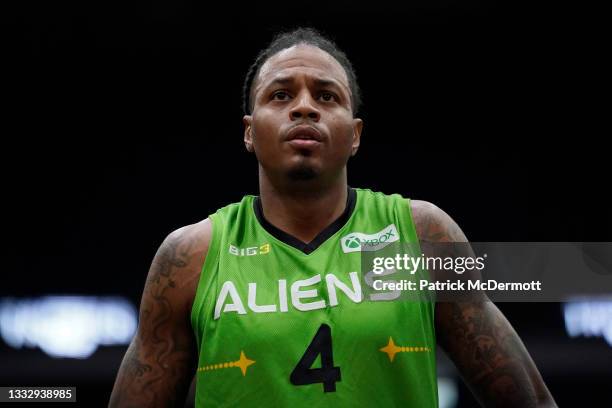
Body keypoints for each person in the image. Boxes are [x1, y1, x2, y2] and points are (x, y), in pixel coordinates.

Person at [109, 28, 556, 407]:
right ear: (249, 131)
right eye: (281, 95)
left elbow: (530, 401)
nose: (304, 107)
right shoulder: (190, 255)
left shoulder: (421, 233)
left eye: (326, 96)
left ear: (355, 135)